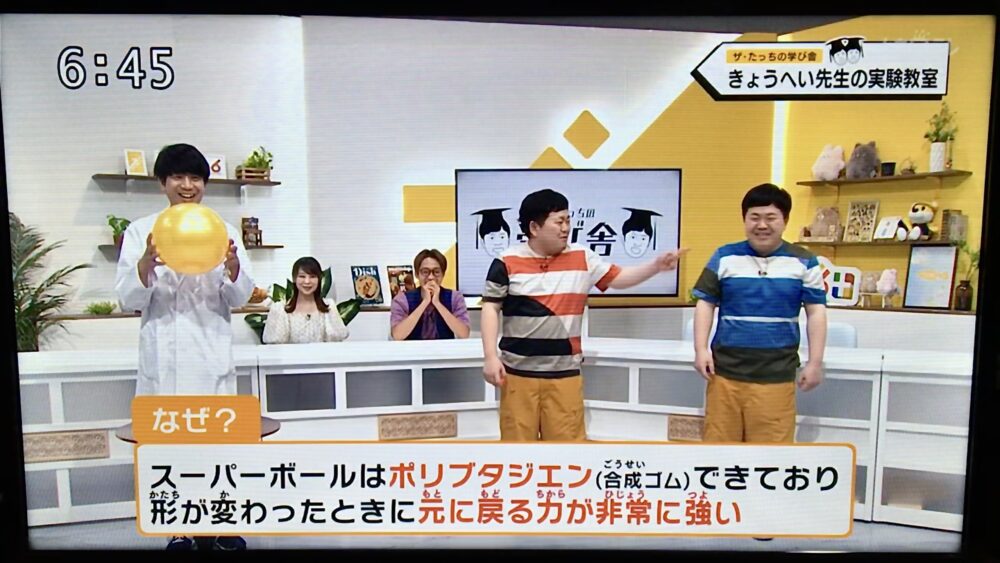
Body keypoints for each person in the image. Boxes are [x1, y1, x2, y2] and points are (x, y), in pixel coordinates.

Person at [114, 143, 253, 551]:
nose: (187, 185)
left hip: (211, 357)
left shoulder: (224, 231)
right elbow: (127, 298)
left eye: (195, 178)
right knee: (167, 450)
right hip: (165, 361)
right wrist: (144, 265)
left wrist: (234, 269)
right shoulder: (141, 232)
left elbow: (240, 297)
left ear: (205, 184)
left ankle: (222, 522)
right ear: (162, 183)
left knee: (218, 447)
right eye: (178, 177)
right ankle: (177, 528)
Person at [481, 189, 686, 441]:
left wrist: (655, 267)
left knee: (567, 450)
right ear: (534, 227)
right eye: (559, 222)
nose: (566, 228)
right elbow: (491, 308)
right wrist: (490, 357)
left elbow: (619, 278)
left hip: (565, 374)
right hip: (517, 374)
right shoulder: (506, 261)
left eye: (568, 220)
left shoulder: (583, 257)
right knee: (518, 450)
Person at [692, 182, 827, 446]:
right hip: (724, 375)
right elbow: (705, 303)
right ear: (744, 219)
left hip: (776, 377)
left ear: (785, 220)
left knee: (771, 457)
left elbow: (816, 313)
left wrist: (815, 362)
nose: (762, 225)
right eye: (754, 217)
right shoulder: (724, 256)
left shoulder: (804, 261)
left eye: (770, 218)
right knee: (718, 452)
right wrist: (700, 349)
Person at [263, 256, 349, 344]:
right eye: (302, 276)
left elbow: (337, 339)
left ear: (319, 279)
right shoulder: (280, 309)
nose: (307, 281)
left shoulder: (329, 307)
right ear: (294, 279)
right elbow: (275, 344)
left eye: (312, 277)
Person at [390, 249, 470, 340]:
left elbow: (464, 334)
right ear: (417, 274)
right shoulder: (402, 299)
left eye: (436, 272)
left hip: (445, 348)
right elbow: (397, 336)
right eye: (425, 272)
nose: (431, 277)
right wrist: (425, 302)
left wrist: (437, 303)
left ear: (443, 274)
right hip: (413, 348)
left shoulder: (455, 297)